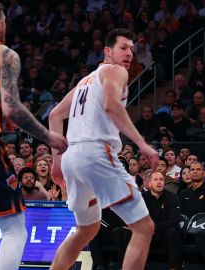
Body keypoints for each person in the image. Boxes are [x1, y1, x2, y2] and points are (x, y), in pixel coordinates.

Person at [48, 28, 159, 270]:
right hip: (96, 155)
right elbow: (111, 105)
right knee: (144, 227)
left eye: (132, 48)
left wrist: (57, 162)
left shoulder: (84, 81)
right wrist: (141, 143)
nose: (129, 53)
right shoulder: (115, 71)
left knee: (86, 229)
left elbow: (55, 115)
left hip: (73, 159)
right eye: (123, 48)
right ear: (107, 52)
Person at [0, 3, 68, 269]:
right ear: (0, 24)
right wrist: (47, 136)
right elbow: (11, 107)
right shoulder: (5, 55)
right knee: (15, 229)